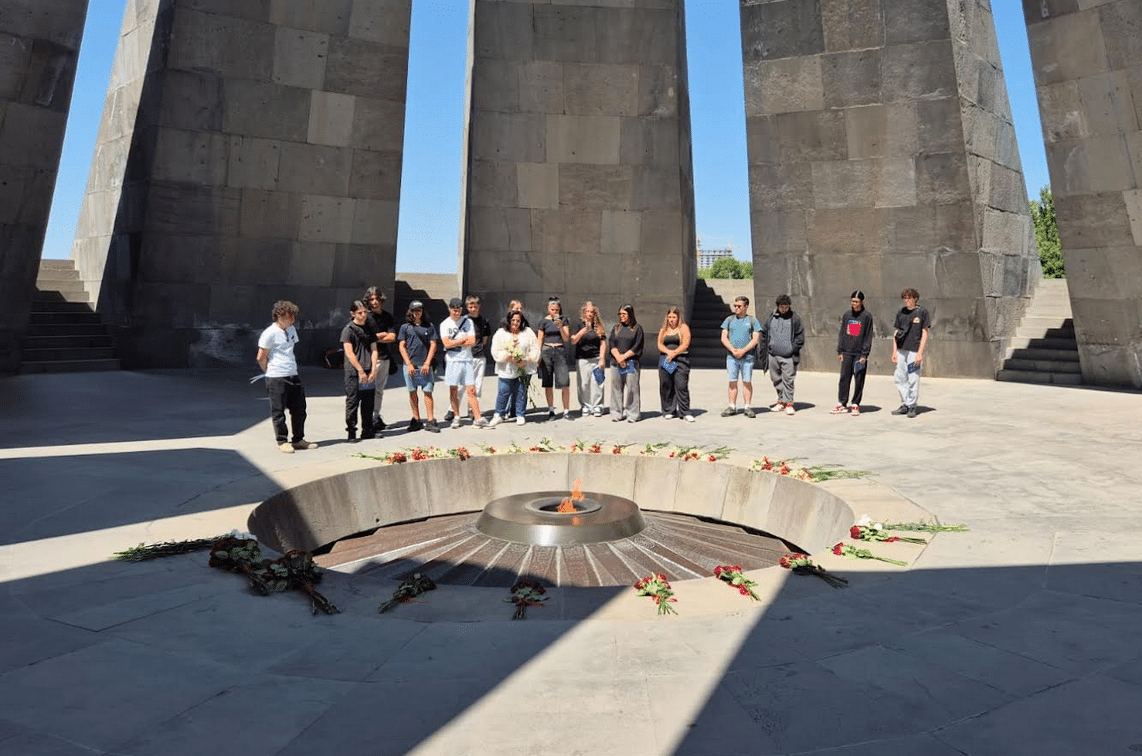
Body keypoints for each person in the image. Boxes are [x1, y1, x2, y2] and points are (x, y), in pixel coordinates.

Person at [256, 300, 317, 453]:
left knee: (300, 409)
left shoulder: (291, 330)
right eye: (289, 317)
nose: (292, 320)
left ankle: (298, 439)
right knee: (278, 411)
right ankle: (282, 441)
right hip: (276, 376)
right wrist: (268, 371)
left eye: (293, 317)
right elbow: (261, 356)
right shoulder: (269, 333)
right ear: (279, 316)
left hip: (292, 374)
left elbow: (290, 350)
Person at [440, 297, 487, 428]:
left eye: (459, 310)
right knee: (454, 389)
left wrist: (455, 342)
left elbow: (472, 341)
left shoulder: (468, 322)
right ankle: (456, 416)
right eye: (454, 310)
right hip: (452, 360)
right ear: (450, 309)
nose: (456, 313)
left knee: (471, 389)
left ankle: (478, 418)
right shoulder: (445, 324)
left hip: (467, 359)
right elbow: (446, 343)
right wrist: (461, 340)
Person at [489, 309, 541, 426]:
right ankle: (498, 414)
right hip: (506, 368)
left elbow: (535, 348)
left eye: (518, 320)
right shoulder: (501, 333)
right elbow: (495, 350)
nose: (515, 323)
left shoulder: (528, 332)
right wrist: (508, 356)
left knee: (521, 391)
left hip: (524, 367)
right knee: (504, 391)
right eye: (513, 320)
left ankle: (520, 414)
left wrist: (526, 359)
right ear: (509, 321)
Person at [759, 294, 805, 415]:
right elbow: (764, 333)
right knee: (776, 378)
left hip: (789, 356)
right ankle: (781, 401)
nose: (784, 309)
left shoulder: (795, 318)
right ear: (777, 306)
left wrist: (792, 349)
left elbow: (800, 336)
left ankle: (789, 403)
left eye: (786, 307)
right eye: (782, 307)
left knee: (788, 380)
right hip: (773, 354)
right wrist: (765, 349)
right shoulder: (771, 317)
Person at [398, 300, 440, 433]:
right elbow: (402, 346)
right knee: (413, 392)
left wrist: (427, 362)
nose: (417, 313)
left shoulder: (429, 326)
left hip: (425, 366)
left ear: (422, 312)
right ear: (410, 312)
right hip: (411, 366)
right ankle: (416, 419)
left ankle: (430, 420)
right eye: (415, 310)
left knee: (427, 392)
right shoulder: (405, 327)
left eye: (419, 310)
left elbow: (433, 344)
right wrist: (408, 363)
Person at [341, 300, 378, 442]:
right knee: (353, 401)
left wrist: (373, 369)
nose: (363, 315)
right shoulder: (348, 330)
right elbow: (349, 353)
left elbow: (374, 350)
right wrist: (360, 371)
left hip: (369, 370)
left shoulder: (369, 329)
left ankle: (367, 429)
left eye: (365, 312)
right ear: (353, 314)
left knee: (368, 402)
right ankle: (351, 431)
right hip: (354, 372)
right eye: (360, 313)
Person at [832, 290, 874, 417]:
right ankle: (842, 403)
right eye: (852, 301)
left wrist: (864, 354)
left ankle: (855, 403)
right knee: (844, 378)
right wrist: (840, 350)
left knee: (859, 378)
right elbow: (843, 333)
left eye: (856, 301)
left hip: (859, 353)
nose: (854, 304)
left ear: (861, 302)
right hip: (847, 352)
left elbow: (868, 336)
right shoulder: (847, 315)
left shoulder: (866, 316)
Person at [891, 287, 931, 418]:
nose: (907, 301)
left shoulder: (922, 312)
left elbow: (925, 333)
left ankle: (912, 405)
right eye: (905, 298)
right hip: (902, 349)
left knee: (913, 378)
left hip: (914, 350)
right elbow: (896, 333)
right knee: (899, 377)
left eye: (910, 298)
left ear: (915, 298)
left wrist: (920, 352)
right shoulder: (901, 312)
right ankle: (905, 403)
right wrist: (894, 351)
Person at [719, 296, 762, 417]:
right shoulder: (729, 320)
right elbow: (723, 337)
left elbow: (755, 340)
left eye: (739, 306)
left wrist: (743, 351)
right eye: (735, 306)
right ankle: (732, 406)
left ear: (746, 307)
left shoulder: (753, 321)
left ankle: (747, 407)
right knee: (732, 381)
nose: (736, 308)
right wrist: (733, 350)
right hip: (732, 357)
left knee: (747, 382)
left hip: (747, 357)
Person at [364, 286, 397, 434]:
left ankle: (376, 417)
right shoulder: (366, 317)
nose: (375, 302)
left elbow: (392, 337)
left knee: (379, 390)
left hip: (385, 357)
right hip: (371, 358)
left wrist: (377, 337)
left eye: (377, 298)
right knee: (369, 390)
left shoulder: (388, 316)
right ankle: (369, 420)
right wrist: (380, 336)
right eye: (371, 299)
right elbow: (366, 339)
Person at [537, 297, 572, 419]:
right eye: (552, 309)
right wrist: (538, 354)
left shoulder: (564, 320)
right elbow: (540, 339)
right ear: (548, 309)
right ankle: (551, 410)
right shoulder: (543, 322)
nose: (554, 311)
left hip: (559, 350)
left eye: (556, 309)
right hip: (547, 350)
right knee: (548, 383)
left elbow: (567, 338)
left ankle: (566, 410)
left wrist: (561, 326)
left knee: (564, 382)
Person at [608, 304, 644, 422]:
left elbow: (637, 346)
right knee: (616, 388)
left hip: (631, 362)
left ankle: (633, 414)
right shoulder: (616, 328)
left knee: (632, 388)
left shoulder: (637, 328)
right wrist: (618, 357)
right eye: (619, 314)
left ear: (630, 314)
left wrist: (624, 357)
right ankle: (616, 413)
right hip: (616, 362)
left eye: (624, 314)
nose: (621, 316)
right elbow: (612, 343)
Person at [657, 306, 693, 422]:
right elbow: (660, 344)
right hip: (665, 360)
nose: (671, 319)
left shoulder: (683, 328)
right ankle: (669, 410)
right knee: (666, 385)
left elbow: (685, 344)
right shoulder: (664, 329)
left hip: (680, 360)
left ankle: (685, 411)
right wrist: (668, 353)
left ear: (678, 318)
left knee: (681, 385)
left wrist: (674, 353)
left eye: (674, 317)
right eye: (669, 317)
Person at [571, 301, 606, 418]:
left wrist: (602, 358)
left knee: (598, 382)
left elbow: (603, 343)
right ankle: (585, 405)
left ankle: (597, 405)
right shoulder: (578, 324)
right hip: (582, 359)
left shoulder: (599, 325)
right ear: (584, 312)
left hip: (596, 358)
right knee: (584, 383)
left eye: (592, 312)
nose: (590, 314)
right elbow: (573, 340)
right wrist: (583, 331)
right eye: (588, 311)